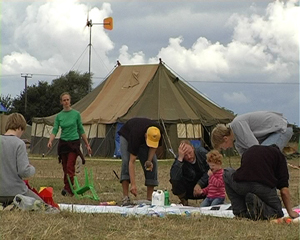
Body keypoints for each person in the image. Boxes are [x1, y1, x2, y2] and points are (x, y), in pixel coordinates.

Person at [223, 144, 299, 220]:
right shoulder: (279, 156)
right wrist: (290, 211)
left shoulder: (250, 150)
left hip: (241, 184)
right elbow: (284, 191)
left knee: (227, 173)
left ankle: (240, 211)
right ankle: (256, 203)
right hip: (263, 188)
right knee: (277, 212)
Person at [0, 113, 55, 210]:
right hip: (16, 192)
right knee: (44, 206)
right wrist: (32, 168)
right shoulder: (19, 144)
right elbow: (24, 171)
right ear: (20, 127)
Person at [47, 92, 92, 196]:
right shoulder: (59, 116)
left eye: (67, 100)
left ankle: (68, 189)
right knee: (65, 167)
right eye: (64, 100)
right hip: (63, 144)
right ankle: (68, 187)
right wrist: (50, 141)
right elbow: (55, 130)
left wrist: (87, 144)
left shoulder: (76, 114)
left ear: (70, 101)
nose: (66, 102)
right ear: (61, 102)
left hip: (74, 143)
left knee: (70, 166)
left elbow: (81, 129)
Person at [118, 117, 163, 206]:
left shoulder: (158, 132)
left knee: (153, 163)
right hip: (127, 135)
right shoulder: (136, 135)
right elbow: (132, 162)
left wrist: (149, 161)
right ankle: (125, 197)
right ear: (146, 135)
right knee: (126, 162)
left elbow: (154, 147)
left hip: (141, 135)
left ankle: (150, 198)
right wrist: (133, 185)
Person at [211, 111, 293, 155]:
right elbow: (246, 159)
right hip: (272, 133)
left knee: (263, 155)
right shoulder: (237, 143)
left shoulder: (237, 124)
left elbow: (255, 149)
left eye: (222, 147)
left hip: (281, 129)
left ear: (225, 138)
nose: (225, 149)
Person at [169, 140, 210, 206]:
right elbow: (174, 177)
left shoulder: (203, 153)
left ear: (193, 148)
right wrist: (180, 159)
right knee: (175, 180)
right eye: (185, 155)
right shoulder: (179, 159)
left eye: (190, 153)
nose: (189, 157)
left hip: (204, 186)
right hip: (189, 188)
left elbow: (212, 169)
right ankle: (183, 200)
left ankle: (210, 198)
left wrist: (200, 183)